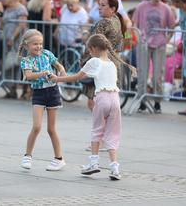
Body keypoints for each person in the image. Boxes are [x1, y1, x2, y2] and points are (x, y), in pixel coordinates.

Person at [49, 34, 136, 180]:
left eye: (89, 49)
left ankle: (93, 163)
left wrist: (58, 79)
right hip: (115, 99)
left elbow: (76, 77)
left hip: (101, 98)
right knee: (112, 133)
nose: (89, 52)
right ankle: (114, 168)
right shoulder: (112, 64)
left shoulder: (94, 61)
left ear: (94, 48)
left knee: (97, 130)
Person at [18, 29, 67, 171]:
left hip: (52, 92)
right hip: (39, 93)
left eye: (40, 43)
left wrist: (62, 72)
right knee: (37, 126)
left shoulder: (47, 54)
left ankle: (59, 158)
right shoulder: (26, 61)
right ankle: (27, 156)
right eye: (35, 44)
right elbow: (29, 76)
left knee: (51, 129)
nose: (39, 46)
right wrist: (44, 73)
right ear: (27, 46)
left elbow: (58, 65)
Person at [133, 0, 175, 113]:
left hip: (159, 44)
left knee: (158, 75)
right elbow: (134, 24)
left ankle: (157, 102)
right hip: (144, 43)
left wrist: (167, 39)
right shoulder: (141, 7)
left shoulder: (166, 8)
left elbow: (172, 26)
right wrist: (137, 38)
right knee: (142, 73)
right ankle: (142, 101)